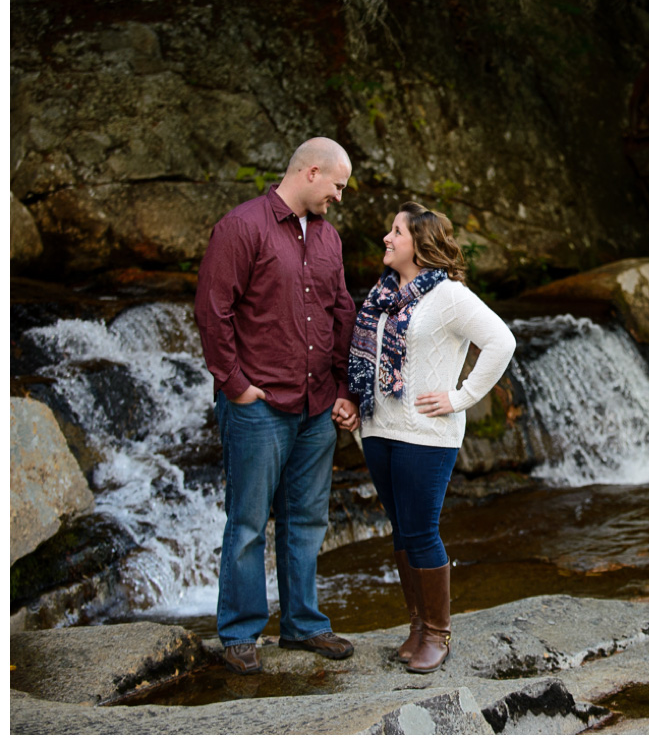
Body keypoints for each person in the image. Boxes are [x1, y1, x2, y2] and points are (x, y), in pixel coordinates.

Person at [194, 137, 361, 675]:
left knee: (308, 518)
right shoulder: (242, 227)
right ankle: (241, 631)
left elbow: (341, 309)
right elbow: (212, 311)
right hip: (258, 405)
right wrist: (235, 383)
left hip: (316, 404)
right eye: (337, 185)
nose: (339, 196)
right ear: (311, 172)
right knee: (246, 521)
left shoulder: (330, 239)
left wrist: (343, 386)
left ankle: (304, 625)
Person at [349, 201, 515, 673]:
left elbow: (502, 341)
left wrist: (461, 397)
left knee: (421, 532)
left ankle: (438, 633)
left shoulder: (449, 296)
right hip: (379, 430)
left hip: (427, 435)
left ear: (420, 246)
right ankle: (417, 626)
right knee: (401, 532)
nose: (387, 238)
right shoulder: (382, 295)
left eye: (396, 232)